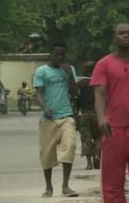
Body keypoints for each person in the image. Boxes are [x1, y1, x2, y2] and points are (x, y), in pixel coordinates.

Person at [91, 23, 129, 203]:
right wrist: (102, 117)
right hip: (113, 130)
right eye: (122, 33)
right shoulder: (103, 64)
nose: (126, 36)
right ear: (115, 37)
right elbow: (99, 93)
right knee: (112, 183)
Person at [33, 41, 79, 198]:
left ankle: (66, 186)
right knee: (47, 154)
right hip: (48, 119)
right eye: (57, 54)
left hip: (67, 116)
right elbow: (38, 92)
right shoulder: (41, 71)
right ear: (51, 54)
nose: (60, 57)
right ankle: (48, 187)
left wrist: (70, 75)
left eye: (62, 54)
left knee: (70, 147)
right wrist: (45, 107)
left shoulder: (69, 69)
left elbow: (75, 93)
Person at [76, 61, 101, 170]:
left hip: (85, 114)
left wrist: (76, 112)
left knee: (86, 138)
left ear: (86, 70)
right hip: (97, 114)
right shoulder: (99, 83)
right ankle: (97, 155)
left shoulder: (80, 84)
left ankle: (89, 163)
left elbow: (77, 100)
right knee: (99, 137)